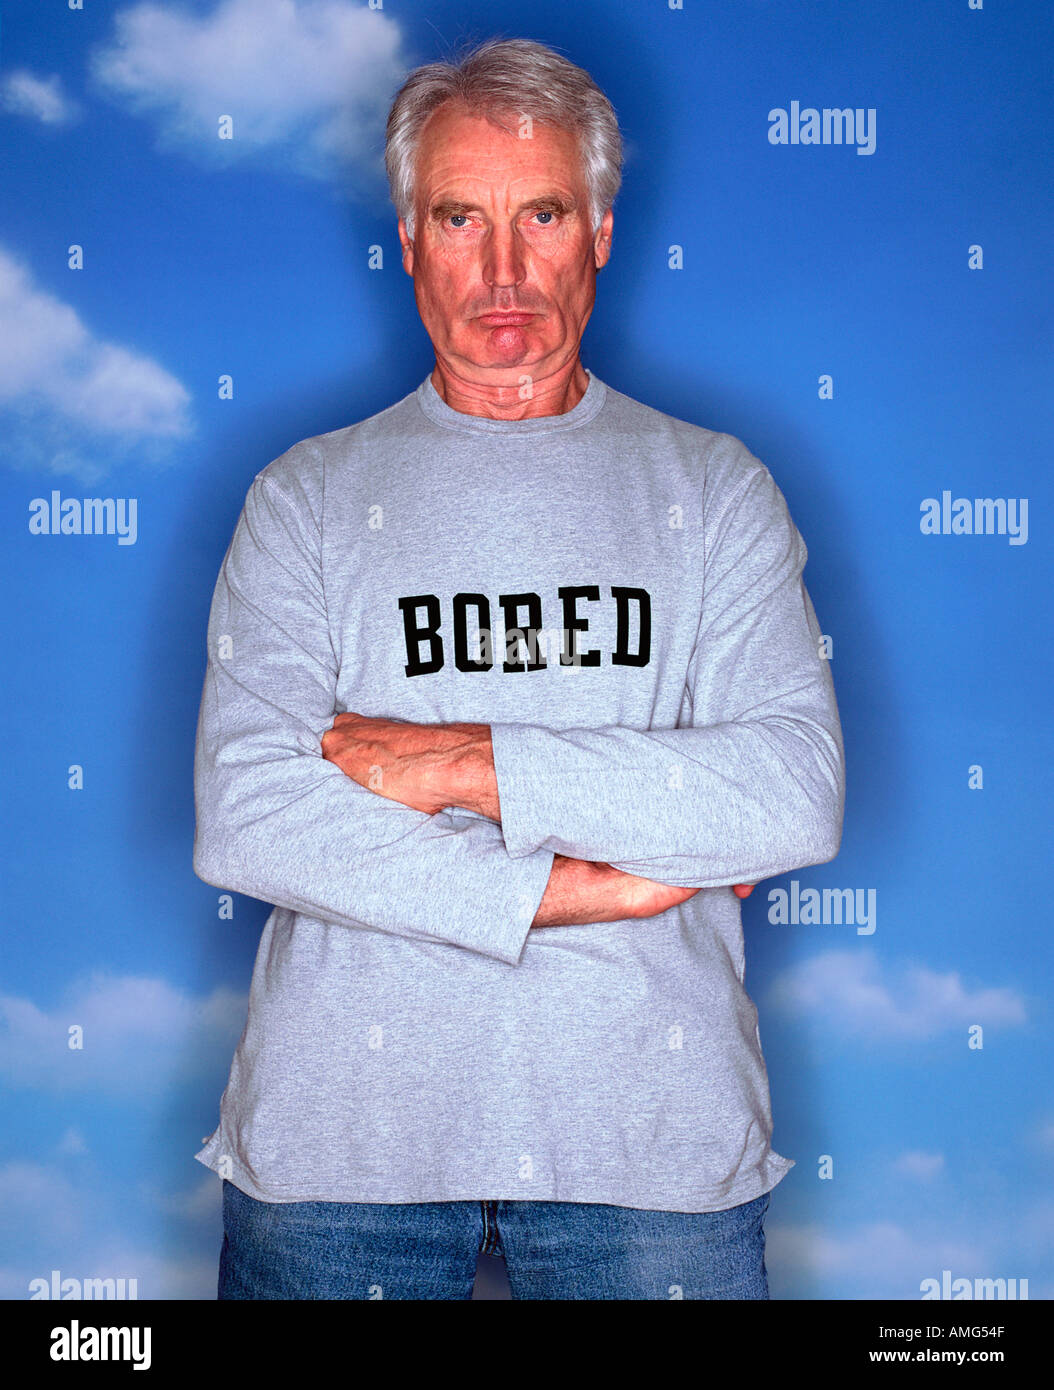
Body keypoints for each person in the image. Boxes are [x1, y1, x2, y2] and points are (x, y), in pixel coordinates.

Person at [192, 36, 845, 1300]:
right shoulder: (306, 498)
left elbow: (786, 792)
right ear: (407, 236)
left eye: (541, 212)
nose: (503, 270)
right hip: (343, 1151)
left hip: (647, 1145)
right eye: (459, 217)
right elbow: (251, 816)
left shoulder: (713, 490)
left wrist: (456, 760)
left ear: (599, 228)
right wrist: (577, 887)